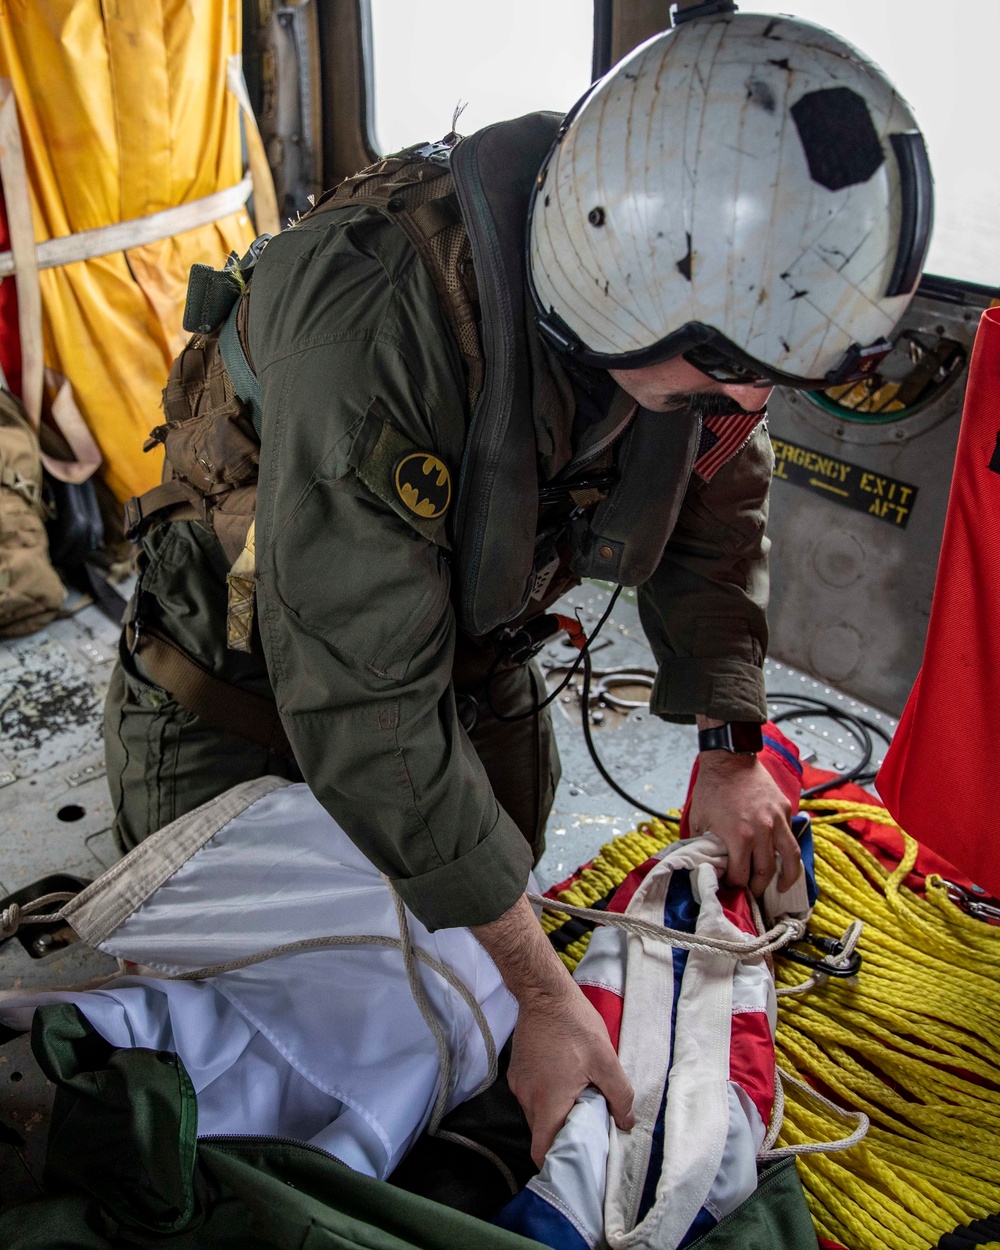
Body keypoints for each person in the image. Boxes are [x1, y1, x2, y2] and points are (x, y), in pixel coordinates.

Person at [105, 11, 931, 1169]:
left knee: (475, 1014)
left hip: (467, 678)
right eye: (725, 375)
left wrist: (732, 745)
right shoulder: (375, 326)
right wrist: (549, 997)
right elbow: (364, 705)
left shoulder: (686, 338)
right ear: (622, 295)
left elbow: (712, 506)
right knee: (273, 1081)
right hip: (241, 718)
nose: (743, 406)